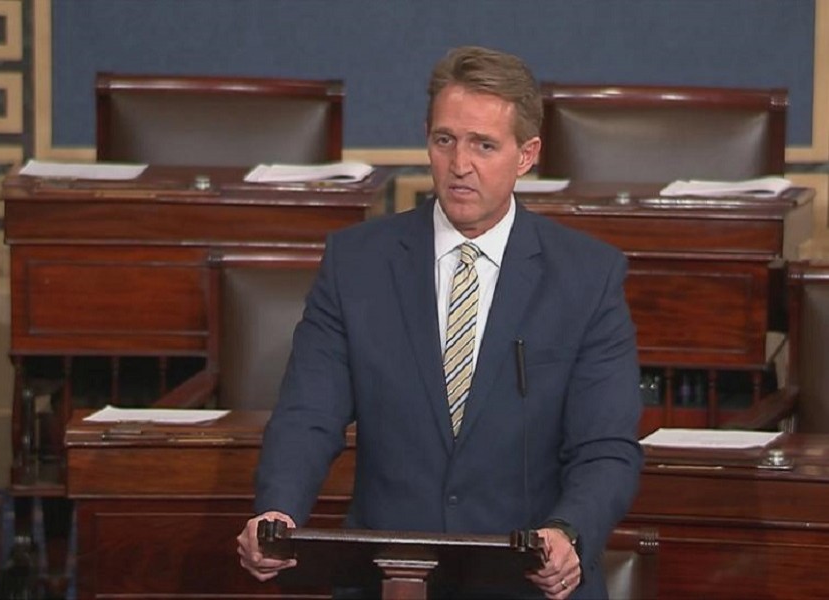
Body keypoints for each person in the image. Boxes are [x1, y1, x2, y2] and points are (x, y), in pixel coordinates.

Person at [237, 45, 643, 600]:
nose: (459, 165)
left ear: (526, 155)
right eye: (445, 140)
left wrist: (568, 532)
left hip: (528, 583)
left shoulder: (587, 277)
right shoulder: (357, 264)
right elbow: (308, 415)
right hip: (389, 577)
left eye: (484, 145)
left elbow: (606, 447)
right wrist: (278, 511)